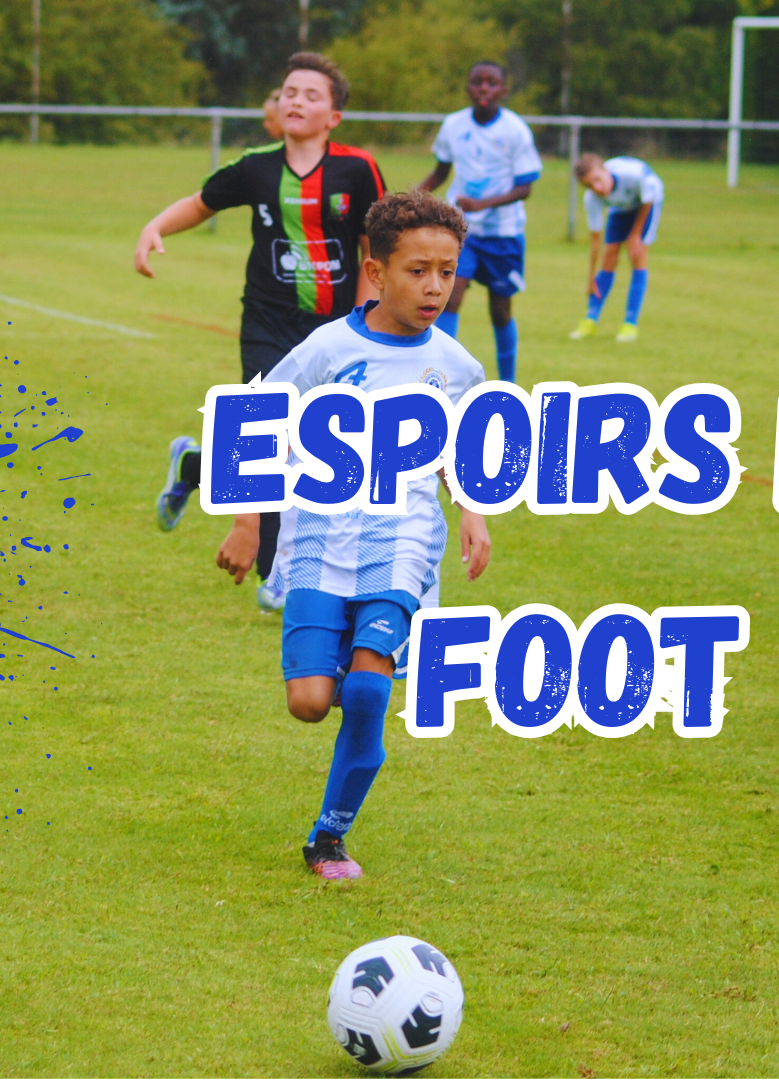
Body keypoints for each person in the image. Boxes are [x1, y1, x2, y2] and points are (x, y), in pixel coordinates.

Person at [215, 191, 491, 877]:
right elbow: (262, 423)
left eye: (447, 272)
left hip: (403, 542)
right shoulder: (328, 349)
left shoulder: (457, 367)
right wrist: (248, 522)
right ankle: (358, 665)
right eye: (417, 271)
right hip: (318, 538)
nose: (434, 287)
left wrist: (473, 512)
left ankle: (328, 839)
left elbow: (458, 452)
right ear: (375, 272)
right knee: (309, 703)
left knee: (367, 694)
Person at [138, 53, 386, 613]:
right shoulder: (256, 168)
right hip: (268, 321)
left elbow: (373, 249)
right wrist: (155, 227)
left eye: (312, 95)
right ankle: (277, 572)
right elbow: (200, 204)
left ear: (334, 117)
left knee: (317, 442)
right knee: (268, 432)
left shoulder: (358, 171)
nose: (296, 100)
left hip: (332, 329)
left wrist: (363, 320)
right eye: (289, 91)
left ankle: (193, 466)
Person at [419, 61, 542, 384]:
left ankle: (509, 384)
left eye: (492, 83)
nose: (484, 88)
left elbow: (525, 187)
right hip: (463, 232)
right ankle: (442, 380)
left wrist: (481, 204)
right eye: (477, 82)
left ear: (503, 90)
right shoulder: (453, 125)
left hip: (504, 233)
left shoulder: (515, 130)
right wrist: (411, 198)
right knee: (451, 298)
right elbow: (441, 171)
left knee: (500, 311)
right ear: (468, 88)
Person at [567, 153, 663, 343]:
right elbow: (596, 241)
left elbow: (648, 199)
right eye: (589, 185)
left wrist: (635, 235)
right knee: (609, 258)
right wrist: (590, 277)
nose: (597, 188)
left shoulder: (633, 176)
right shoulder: (592, 198)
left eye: (597, 179)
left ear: (605, 170)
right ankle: (590, 320)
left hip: (648, 203)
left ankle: (630, 324)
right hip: (621, 207)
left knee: (637, 256)